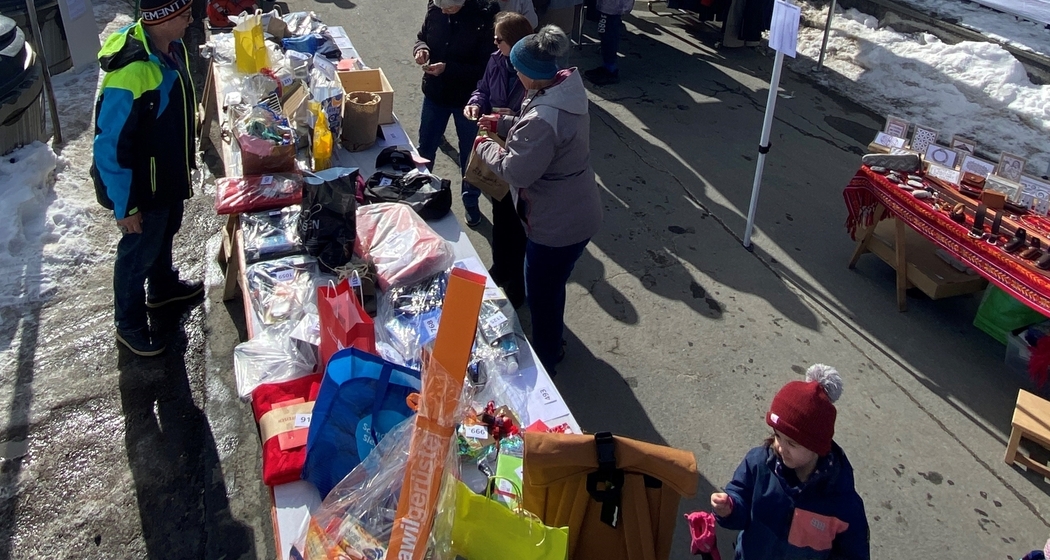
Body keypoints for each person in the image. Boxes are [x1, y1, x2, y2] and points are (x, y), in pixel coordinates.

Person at [474, 26, 602, 372]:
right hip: (577, 209)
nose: (514, 72)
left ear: (530, 72)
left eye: (517, 68)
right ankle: (551, 338)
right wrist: (504, 123)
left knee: (542, 293)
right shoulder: (562, 89)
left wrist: (485, 145)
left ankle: (547, 356)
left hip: (555, 222)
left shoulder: (544, 118)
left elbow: (517, 170)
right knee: (552, 283)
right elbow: (538, 126)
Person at [91, 0, 204, 357]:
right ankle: (129, 324)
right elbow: (109, 147)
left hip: (167, 176)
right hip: (142, 189)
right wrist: (126, 206)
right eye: (185, 15)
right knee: (136, 253)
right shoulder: (131, 72)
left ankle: (162, 287)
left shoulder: (172, 46)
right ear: (163, 19)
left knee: (166, 230)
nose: (191, 20)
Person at [710, 365, 870, 560]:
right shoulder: (759, 464)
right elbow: (740, 498)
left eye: (792, 443)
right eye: (777, 436)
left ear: (816, 448)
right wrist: (731, 508)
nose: (780, 447)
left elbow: (853, 553)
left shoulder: (842, 502)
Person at [464, 11, 534, 308]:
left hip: (516, 152)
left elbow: (537, 116)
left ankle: (519, 283)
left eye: (499, 39)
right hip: (494, 144)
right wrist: (475, 104)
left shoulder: (532, 71)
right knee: (500, 214)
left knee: (518, 224)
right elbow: (483, 89)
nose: (494, 43)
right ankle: (501, 267)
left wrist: (511, 119)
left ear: (516, 42)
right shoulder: (496, 60)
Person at [413, 0, 499, 227]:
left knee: (469, 156)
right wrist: (421, 48)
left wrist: (447, 68)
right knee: (426, 146)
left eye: (449, 8)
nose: (443, 11)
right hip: (435, 94)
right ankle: (420, 191)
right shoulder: (436, 8)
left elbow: (485, 67)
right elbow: (422, 35)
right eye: (440, 6)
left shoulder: (484, 16)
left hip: (468, 100)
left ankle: (470, 201)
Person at [583, 0, 633, 85]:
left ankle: (610, 70)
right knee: (606, 32)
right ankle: (608, 66)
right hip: (610, 6)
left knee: (608, 33)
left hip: (612, 6)